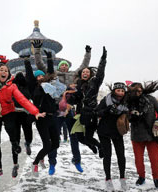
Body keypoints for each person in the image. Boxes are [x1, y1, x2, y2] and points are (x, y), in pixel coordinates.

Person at [0, 48, 45, 179]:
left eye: (6, 71)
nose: (3, 72)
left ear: (8, 74)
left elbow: (22, 100)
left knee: (10, 128)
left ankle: (15, 143)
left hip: (8, 112)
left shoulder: (12, 86)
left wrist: (35, 111)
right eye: (1, 70)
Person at [33, 40, 91, 174]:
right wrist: (37, 51)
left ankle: (77, 160)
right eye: (62, 65)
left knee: (74, 136)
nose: (64, 67)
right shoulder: (54, 75)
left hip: (68, 109)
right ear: (59, 67)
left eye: (66, 65)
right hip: (55, 110)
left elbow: (84, 67)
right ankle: (52, 163)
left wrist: (88, 53)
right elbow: (40, 64)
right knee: (54, 138)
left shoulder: (73, 76)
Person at [23, 50, 61, 177]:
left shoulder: (49, 85)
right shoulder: (34, 88)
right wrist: (27, 61)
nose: (40, 78)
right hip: (41, 118)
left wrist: (50, 58)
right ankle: (35, 163)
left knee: (56, 143)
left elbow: (50, 73)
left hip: (52, 117)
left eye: (41, 76)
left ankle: (41, 157)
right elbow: (29, 76)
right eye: (38, 76)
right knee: (47, 144)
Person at [126, 81, 158, 190]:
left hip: (151, 133)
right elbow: (125, 116)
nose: (138, 92)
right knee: (138, 159)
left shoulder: (151, 99)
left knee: (154, 159)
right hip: (136, 135)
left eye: (140, 90)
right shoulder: (128, 101)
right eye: (135, 90)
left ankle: (156, 178)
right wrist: (131, 115)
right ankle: (141, 176)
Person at [96, 82, 129, 191]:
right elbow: (97, 112)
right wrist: (107, 110)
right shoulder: (106, 99)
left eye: (122, 91)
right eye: (118, 90)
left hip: (117, 131)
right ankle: (108, 178)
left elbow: (128, 115)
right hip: (104, 131)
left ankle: (122, 176)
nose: (120, 93)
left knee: (121, 154)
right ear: (114, 91)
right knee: (107, 155)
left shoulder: (125, 103)